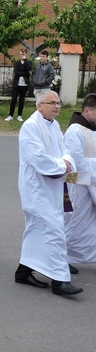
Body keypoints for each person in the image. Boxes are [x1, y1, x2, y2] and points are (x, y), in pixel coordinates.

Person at [14, 90, 82, 296]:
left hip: (52, 187)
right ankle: (60, 280)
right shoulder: (31, 127)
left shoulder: (53, 125)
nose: (57, 106)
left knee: (36, 231)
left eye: (59, 103)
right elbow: (38, 159)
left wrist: (67, 161)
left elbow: (64, 150)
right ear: (39, 105)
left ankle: (23, 272)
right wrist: (63, 164)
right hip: (37, 190)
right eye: (52, 103)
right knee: (54, 231)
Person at [63, 94, 96, 267]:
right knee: (73, 221)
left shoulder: (92, 128)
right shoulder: (75, 130)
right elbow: (76, 161)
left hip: (90, 184)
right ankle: (64, 258)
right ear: (87, 111)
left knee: (88, 224)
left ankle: (77, 257)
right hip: (77, 185)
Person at [5, 49, 32, 122]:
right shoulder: (16, 63)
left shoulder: (28, 62)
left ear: (26, 54)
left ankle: (19, 115)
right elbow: (16, 73)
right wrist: (24, 73)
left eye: (23, 54)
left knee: (21, 100)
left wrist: (25, 61)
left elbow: (29, 69)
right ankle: (10, 115)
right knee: (13, 100)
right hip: (16, 84)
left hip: (24, 85)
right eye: (20, 54)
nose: (21, 56)